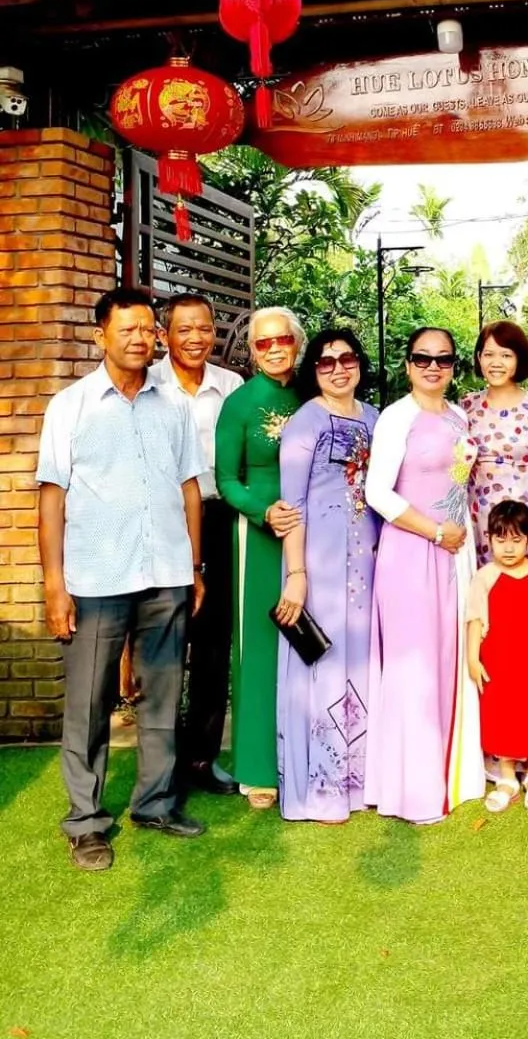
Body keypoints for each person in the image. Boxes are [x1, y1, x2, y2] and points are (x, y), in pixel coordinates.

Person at [37, 287, 207, 870]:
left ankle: (154, 804)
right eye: (127, 329)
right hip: (96, 579)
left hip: (166, 572)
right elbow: (52, 498)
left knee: (163, 695)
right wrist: (54, 584)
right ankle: (86, 822)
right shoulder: (71, 406)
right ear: (100, 336)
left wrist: (193, 567)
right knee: (89, 704)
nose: (140, 339)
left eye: (147, 330)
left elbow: (189, 487)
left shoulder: (173, 405)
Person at [364, 327, 485, 823]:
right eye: (422, 358)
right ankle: (412, 789)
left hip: (455, 552)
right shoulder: (396, 417)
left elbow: (457, 485)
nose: (433, 367)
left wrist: (456, 538)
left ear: (455, 366)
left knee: (449, 657)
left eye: (443, 359)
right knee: (413, 668)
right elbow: (377, 492)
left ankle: (453, 775)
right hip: (412, 552)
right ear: (408, 365)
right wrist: (434, 532)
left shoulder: (459, 416)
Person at [275, 327, 380, 823]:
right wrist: (297, 573)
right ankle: (320, 789)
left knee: (361, 660)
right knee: (322, 660)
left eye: (347, 358)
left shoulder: (375, 417)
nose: (338, 368)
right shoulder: (305, 423)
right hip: (319, 563)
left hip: (369, 563)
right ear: (313, 370)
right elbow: (291, 504)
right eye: (325, 361)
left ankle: (361, 782)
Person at [150, 291, 244, 797]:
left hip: (218, 515)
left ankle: (202, 759)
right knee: (165, 642)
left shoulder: (231, 387)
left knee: (213, 643)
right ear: (165, 335)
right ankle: (161, 765)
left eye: (204, 328)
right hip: (163, 520)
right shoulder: (149, 384)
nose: (195, 338)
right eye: (184, 329)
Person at [215, 306, 304, 810]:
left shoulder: (313, 393)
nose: (273, 349)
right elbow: (226, 479)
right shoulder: (241, 403)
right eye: (262, 343)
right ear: (251, 351)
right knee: (261, 646)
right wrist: (262, 510)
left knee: (311, 641)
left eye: (282, 340)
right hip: (260, 535)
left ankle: (309, 756)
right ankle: (257, 765)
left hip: (315, 533)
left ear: (297, 342)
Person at [466, 500, 528, 813]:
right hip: (498, 662)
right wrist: (473, 659)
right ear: (488, 539)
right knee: (501, 712)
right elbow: (475, 620)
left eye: (516, 540)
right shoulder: (484, 577)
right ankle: (506, 775)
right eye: (500, 539)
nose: (508, 548)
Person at [462, 321, 528, 575]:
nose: (496, 362)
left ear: (519, 360)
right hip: (479, 519)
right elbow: (456, 469)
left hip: (526, 520)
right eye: (489, 354)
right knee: (484, 590)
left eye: (506, 355)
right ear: (479, 358)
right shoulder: (466, 407)